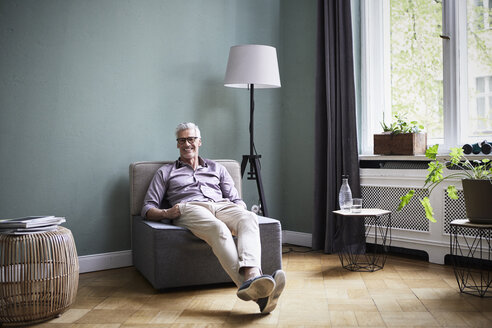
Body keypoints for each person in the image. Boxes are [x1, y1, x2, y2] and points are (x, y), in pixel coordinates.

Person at [141, 122, 285, 313]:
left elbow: (236, 199)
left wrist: (238, 213)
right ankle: (258, 290)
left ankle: (252, 277)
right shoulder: (166, 172)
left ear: (199, 141)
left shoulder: (217, 168)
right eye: (182, 140)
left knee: (249, 217)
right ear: (177, 144)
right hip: (190, 207)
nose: (187, 144)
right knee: (218, 229)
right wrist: (167, 213)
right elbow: (147, 208)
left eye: (191, 139)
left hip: (222, 205)